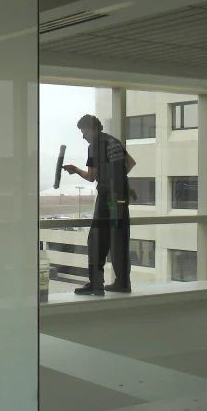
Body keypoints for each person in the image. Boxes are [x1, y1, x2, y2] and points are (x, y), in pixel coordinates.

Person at [63, 115, 136, 295]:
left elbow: (91, 176)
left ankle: (96, 284)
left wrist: (75, 170)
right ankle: (123, 282)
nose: (83, 136)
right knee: (119, 239)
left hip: (107, 196)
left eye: (84, 132)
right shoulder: (114, 142)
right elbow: (130, 163)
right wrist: (119, 180)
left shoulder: (95, 146)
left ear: (93, 129)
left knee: (96, 239)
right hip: (120, 195)